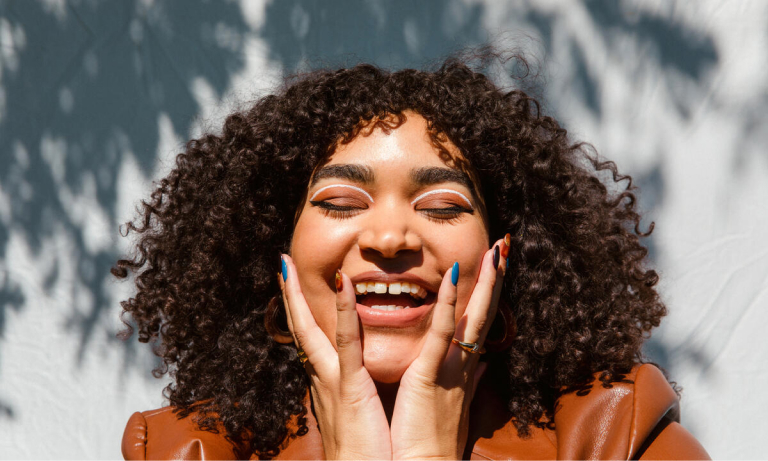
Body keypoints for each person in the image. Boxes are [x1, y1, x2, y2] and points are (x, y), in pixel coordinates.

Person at [115, 51, 710, 459]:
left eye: (444, 206)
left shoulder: (615, 436)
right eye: (342, 201)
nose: (391, 238)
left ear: (509, 256)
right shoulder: (183, 450)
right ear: (273, 255)